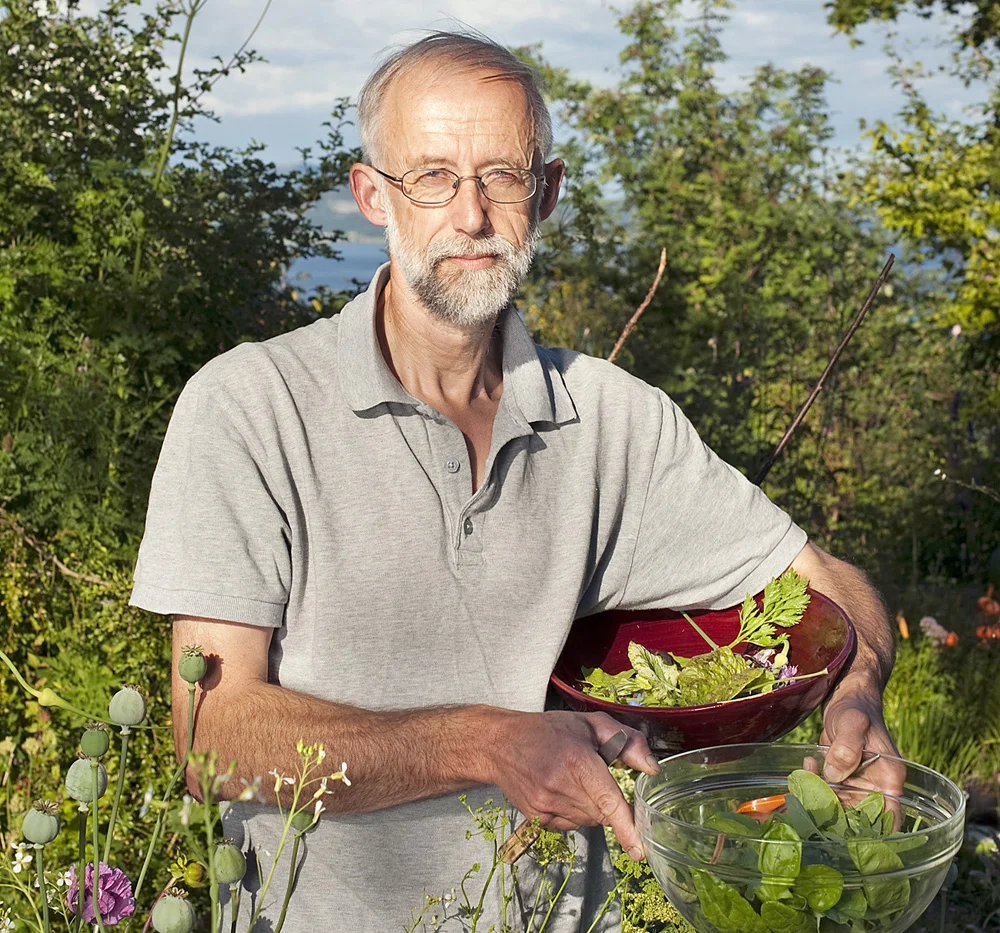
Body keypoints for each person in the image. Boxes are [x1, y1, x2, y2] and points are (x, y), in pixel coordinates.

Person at [129, 30, 900, 933]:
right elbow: (210, 734)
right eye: (432, 177)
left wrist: (857, 691)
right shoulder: (250, 406)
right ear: (372, 194)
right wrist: (487, 743)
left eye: (503, 175)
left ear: (549, 193)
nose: (471, 215)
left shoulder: (614, 420)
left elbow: (829, 583)